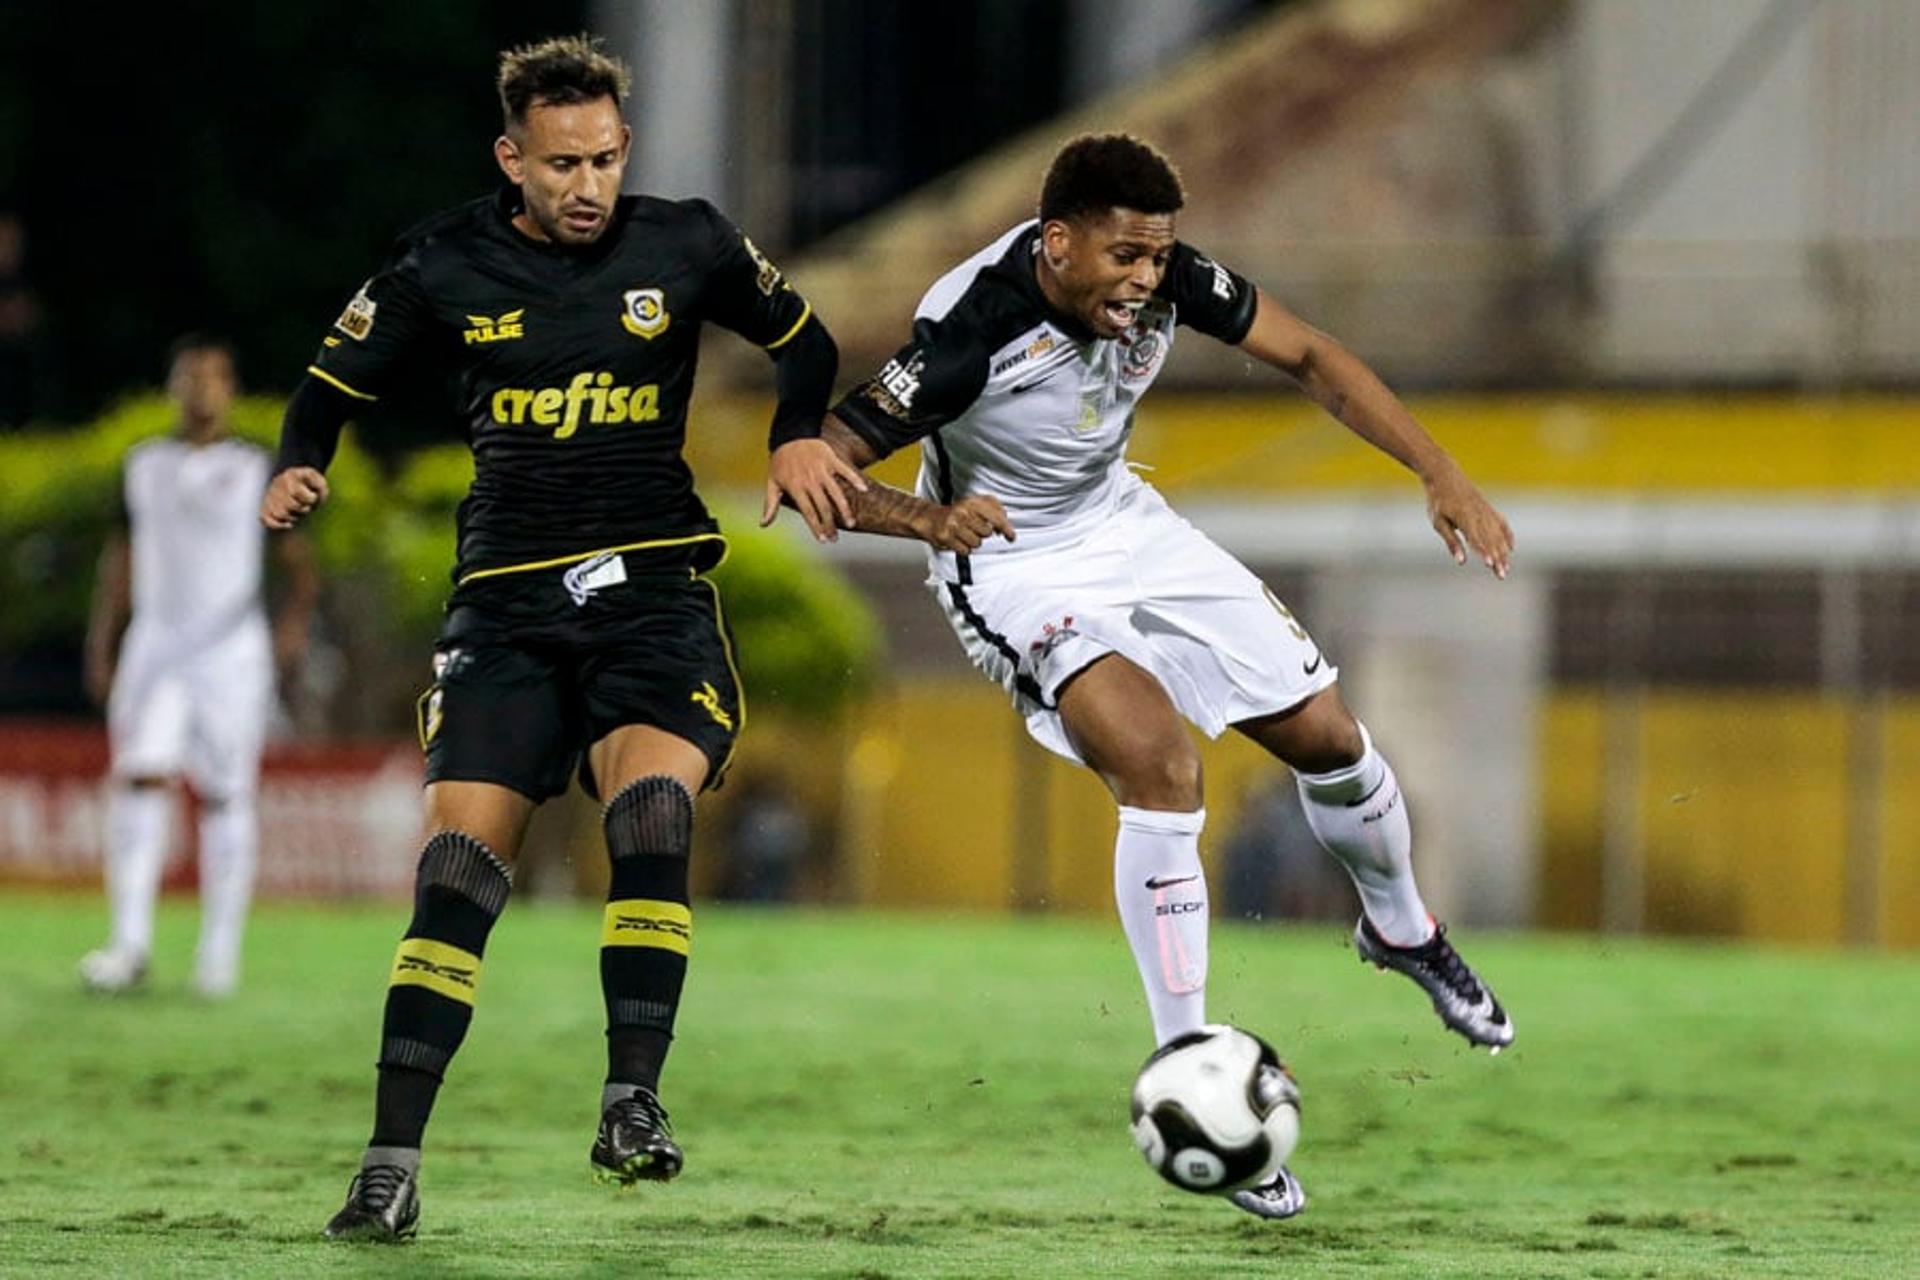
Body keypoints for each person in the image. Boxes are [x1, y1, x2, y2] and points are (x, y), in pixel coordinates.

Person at [794, 134, 1517, 1221]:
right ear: (1058, 242)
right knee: (1160, 760)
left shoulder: (1171, 276)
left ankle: (1402, 926)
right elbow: (819, 466)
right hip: (1015, 563)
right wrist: (931, 517)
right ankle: (1193, 1067)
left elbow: (1313, 358)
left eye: (1157, 257)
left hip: (1128, 522)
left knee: (1330, 736)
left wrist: (1439, 467)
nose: (1147, 279)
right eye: (1126, 257)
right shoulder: (972, 328)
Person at [261, 36, 859, 1243]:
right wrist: (298, 464)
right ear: (511, 159)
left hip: (651, 592)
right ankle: (387, 1167)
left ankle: (632, 1099)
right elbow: (330, 389)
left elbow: (806, 341)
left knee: (651, 811)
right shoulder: (440, 261)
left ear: (623, 148)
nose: (586, 185)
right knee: (458, 875)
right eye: (560, 165)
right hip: (507, 606)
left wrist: (802, 430)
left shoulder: (685, 241)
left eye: (602, 159)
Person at [79, 335, 318, 997]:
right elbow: (120, 561)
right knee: (138, 778)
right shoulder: (143, 466)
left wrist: (289, 634)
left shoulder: (255, 466)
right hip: (155, 644)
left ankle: (218, 956)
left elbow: (299, 566)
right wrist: (104, 640)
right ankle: (128, 944)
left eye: (212, 377)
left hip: (227, 645)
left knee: (225, 792)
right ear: (172, 386)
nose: (200, 389)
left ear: (230, 388)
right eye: (189, 377)